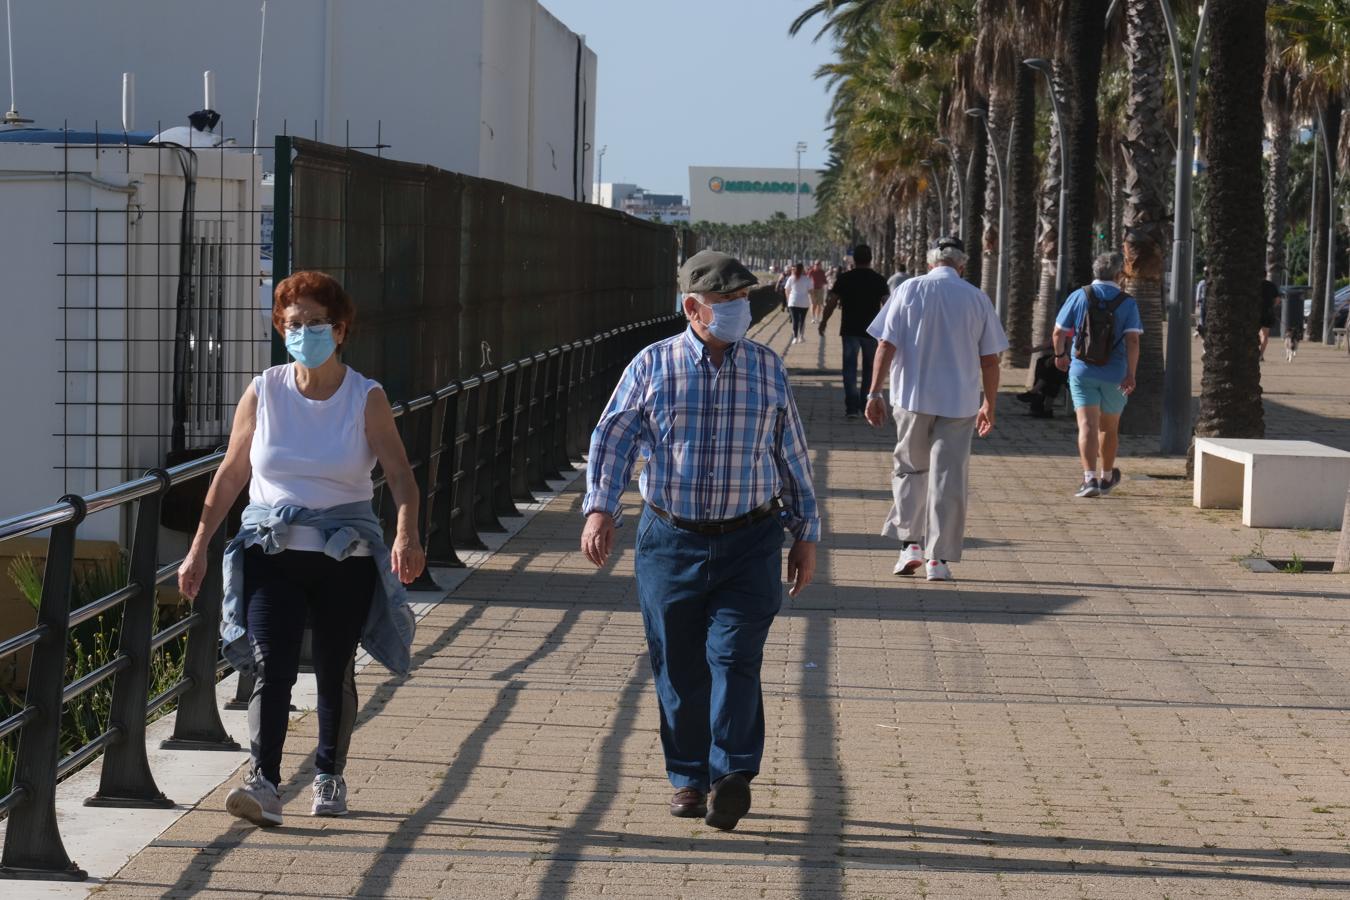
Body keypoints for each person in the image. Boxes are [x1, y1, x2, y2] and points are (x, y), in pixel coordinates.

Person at [581, 249, 819, 832]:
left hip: (751, 538)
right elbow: (612, 439)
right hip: (670, 540)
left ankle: (732, 773)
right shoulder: (652, 365)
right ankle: (689, 777)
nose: (739, 308)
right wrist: (599, 510)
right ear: (693, 307)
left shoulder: (767, 367)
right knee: (679, 666)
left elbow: (791, 452)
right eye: (726, 301)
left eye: (742, 298)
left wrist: (805, 531)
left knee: (735, 656)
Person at [178, 270, 423, 827]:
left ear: (339, 331)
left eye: (315, 323)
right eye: (293, 324)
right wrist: (198, 547)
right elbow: (232, 472)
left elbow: (402, 477)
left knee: (335, 666)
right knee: (273, 664)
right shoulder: (263, 390)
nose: (304, 332)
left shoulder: (367, 397)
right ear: (280, 330)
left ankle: (329, 774)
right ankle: (263, 782)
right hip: (272, 550)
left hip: (346, 555)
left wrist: (406, 532)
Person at [864, 236, 1007, 582]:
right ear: (962, 266)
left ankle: (910, 544)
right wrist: (990, 402)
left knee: (910, 469)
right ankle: (937, 560)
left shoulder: (908, 290)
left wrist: (874, 393)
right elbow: (990, 359)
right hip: (959, 402)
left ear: (930, 264)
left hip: (912, 398)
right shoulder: (976, 298)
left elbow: (885, 343)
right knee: (948, 478)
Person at [1052, 252, 1143, 498]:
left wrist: (1061, 356)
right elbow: (1133, 341)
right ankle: (1106, 477)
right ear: (1118, 274)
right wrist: (1131, 374)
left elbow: (1058, 332)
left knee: (1087, 425)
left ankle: (1089, 479)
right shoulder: (1128, 302)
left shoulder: (1079, 296)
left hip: (1082, 371)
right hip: (1115, 374)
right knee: (1108, 428)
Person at [819, 243, 890, 418]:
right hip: (872, 332)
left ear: (854, 259)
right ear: (870, 259)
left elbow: (832, 301)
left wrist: (823, 322)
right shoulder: (878, 279)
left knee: (849, 369)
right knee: (869, 369)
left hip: (849, 330)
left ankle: (851, 408)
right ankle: (865, 404)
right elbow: (888, 304)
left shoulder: (845, 278)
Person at [1015, 343, 1068, 418]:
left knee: (1051, 368)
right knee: (1043, 363)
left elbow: (1066, 347)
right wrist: (1032, 350)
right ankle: (1044, 408)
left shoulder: (1068, 332)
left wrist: (1054, 357)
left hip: (1067, 359)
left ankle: (1035, 393)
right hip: (1060, 358)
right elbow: (1051, 342)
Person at [783, 262, 812, 344]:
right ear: (803, 269)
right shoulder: (807, 279)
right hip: (804, 302)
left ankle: (795, 338)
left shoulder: (791, 278)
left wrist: (788, 299)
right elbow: (810, 291)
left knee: (795, 320)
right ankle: (801, 337)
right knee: (802, 320)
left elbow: (786, 290)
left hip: (793, 301)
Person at [1259, 279, 1280, 361]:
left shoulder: (1251, 283)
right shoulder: (1271, 285)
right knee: (1265, 335)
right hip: (1267, 312)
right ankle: (1260, 355)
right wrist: (1272, 307)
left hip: (1253, 312)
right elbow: (1278, 300)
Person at [808, 259, 828, 323]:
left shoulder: (822, 272)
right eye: (816, 264)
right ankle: (813, 318)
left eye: (818, 264)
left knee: (819, 304)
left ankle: (817, 317)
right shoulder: (811, 271)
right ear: (814, 265)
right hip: (812, 289)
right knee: (813, 304)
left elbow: (824, 280)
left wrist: (826, 283)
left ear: (820, 265)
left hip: (820, 289)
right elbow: (807, 279)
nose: (817, 266)